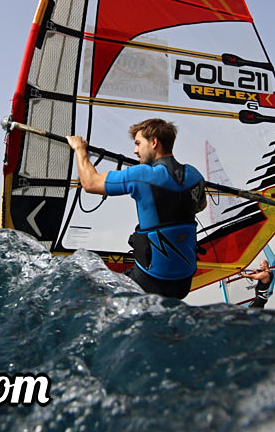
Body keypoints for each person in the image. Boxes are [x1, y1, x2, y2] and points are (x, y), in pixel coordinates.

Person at [67, 118, 206, 299]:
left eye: (138, 144)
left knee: (88, 295)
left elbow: (90, 183)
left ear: (154, 142)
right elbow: (200, 205)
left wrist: (79, 149)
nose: (135, 150)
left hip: (151, 281)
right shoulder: (195, 175)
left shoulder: (142, 174)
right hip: (184, 282)